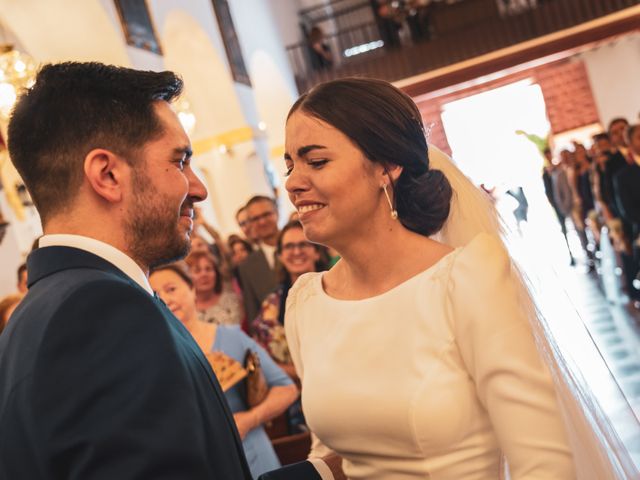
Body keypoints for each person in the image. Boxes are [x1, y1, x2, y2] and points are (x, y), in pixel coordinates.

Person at [282, 78, 626, 479]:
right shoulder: (307, 302)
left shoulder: (464, 279)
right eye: (289, 164)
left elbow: (542, 463)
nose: (292, 182)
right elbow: (332, 453)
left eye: (317, 162)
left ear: (386, 167)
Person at [0, 62, 323, 480]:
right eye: (181, 160)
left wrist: (323, 473)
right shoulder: (102, 311)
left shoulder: (39, 314)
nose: (199, 187)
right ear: (108, 174)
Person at [149, 263, 299, 479]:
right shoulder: (156, 354)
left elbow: (287, 388)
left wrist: (249, 419)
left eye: (171, 289)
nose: (165, 298)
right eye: (155, 294)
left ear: (192, 289)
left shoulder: (231, 337)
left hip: (252, 454)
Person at [252, 220, 328, 380]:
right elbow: (260, 356)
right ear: (280, 256)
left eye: (303, 244)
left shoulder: (337, 290)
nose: (296, 251)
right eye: (288, 246)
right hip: (288, 390)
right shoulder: (271, 303)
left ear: (317, 252)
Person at [237, 196, 281, 326]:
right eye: (255, 218)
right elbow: (253, 311)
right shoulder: (247, 266)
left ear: (277, 213)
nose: (262, 222)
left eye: (267, 214)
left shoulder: (302, 246)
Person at [185, 250, 246, 328]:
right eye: (197, 271)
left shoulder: (235, 301)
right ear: (187, 277)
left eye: (208, 269)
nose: (204, 274)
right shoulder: (185, 311)